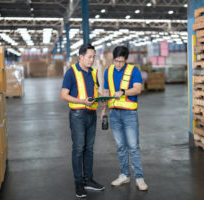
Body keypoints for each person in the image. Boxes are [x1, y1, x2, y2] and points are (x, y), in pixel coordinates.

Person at [101, 46, 148, 191]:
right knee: (120, 146)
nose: (118, 64)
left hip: (129, 114)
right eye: (116, 61)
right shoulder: (108, 71)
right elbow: (107, 92)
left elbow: (138, 89)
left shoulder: (133, 71)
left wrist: (122, 92)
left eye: (121, 61)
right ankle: (124, 174)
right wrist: (103, 110)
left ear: (126, 59)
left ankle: (139, 177)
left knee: (133, 147)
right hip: (114, 114)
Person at [61, 44, 105, 198]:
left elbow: (95, 90)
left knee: (89, 148)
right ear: (81, 57)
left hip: (91, 114)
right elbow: (64, 95)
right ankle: (78, 183)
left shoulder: (93, 72)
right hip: (78, 115)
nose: (92, 60)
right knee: (79, 149)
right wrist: (81, 101)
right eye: (89, 57)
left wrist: (101, 98)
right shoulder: (71, 73)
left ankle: (88, 180)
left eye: (93, 57)